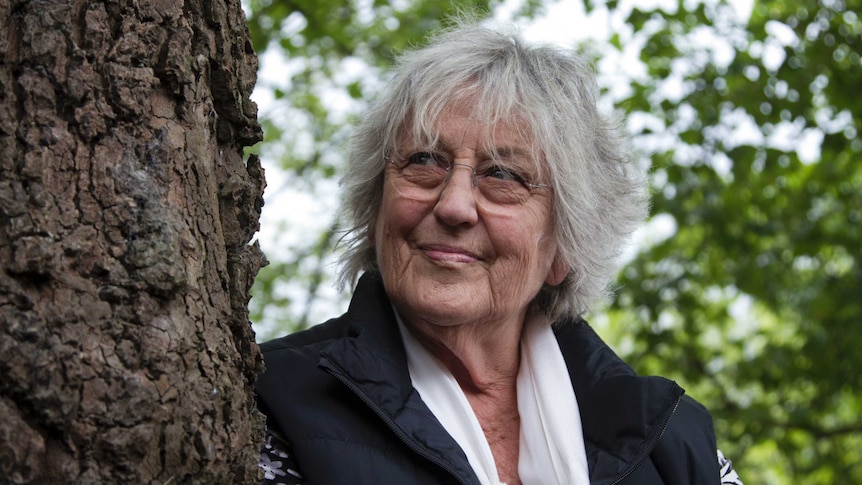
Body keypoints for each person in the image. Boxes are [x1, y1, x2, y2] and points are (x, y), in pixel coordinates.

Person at [255, 20, 743, 485]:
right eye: (424, 161)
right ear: (374, 208)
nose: (454, 205)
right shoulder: (271, 400)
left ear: (564, 247)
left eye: (503, 175)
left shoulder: (671, 438)